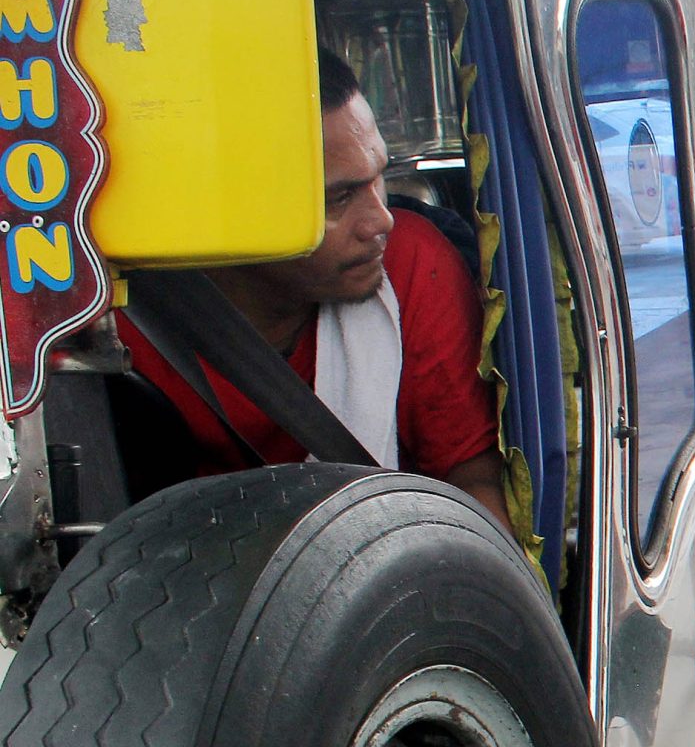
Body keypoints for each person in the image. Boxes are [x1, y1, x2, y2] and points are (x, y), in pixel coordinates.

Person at [124, 49, 509, 527]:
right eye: (339, 198)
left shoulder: (412, 264)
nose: (380, 220)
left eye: (380, 179)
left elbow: (471, 475)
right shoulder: (122, 317)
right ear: (234, 210)